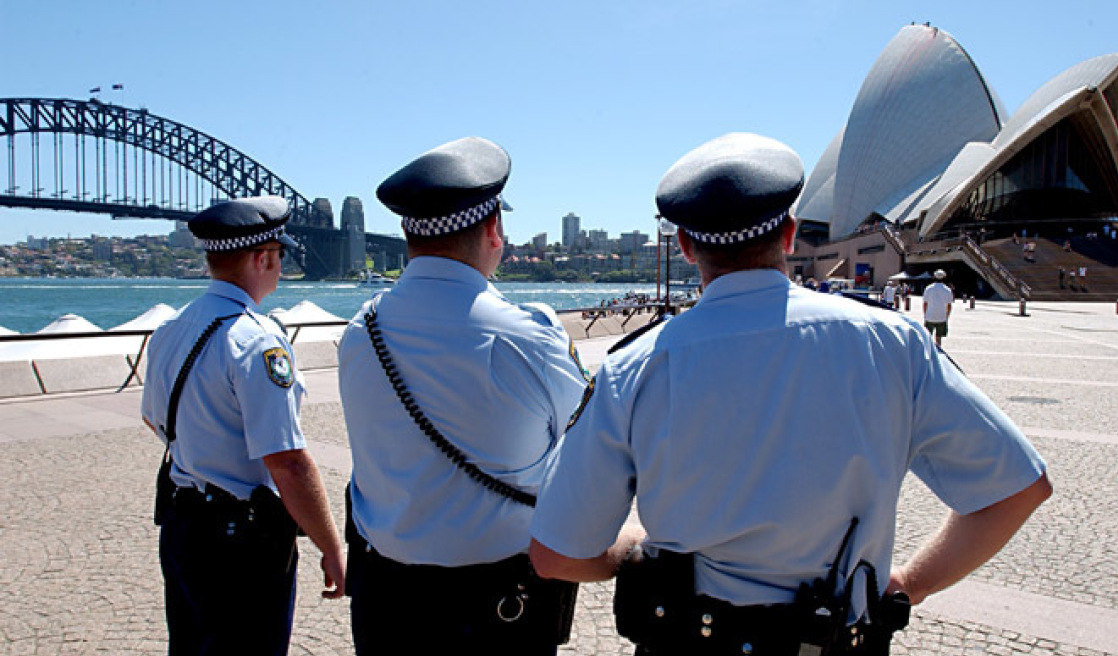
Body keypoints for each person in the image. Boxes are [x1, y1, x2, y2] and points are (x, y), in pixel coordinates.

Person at [527, 133, 1050, 655]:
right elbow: (1019, 487)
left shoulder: (636, 366)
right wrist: (911, 583)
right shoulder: (893, 344)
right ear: (791, 235)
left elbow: (555, 556)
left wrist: (633, 554)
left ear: (685, 246)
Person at [338, 136, 590, 655]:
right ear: (493, 229)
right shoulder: (529, 337)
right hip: (497, 609)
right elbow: (585, 449)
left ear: (407, 231)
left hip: (384, 602)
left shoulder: (359, 334)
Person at [141, 196, 345, 655]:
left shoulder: (170, 330)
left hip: (182, 522)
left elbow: (151, 418)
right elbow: (288, 461)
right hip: (240, 540)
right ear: (261, 258)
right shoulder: (257, 339)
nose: (280, 269)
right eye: (279, 257)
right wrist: (330, 545)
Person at [922, 269, 955, 347]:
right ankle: (938, 349)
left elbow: (925, 303)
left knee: (928, 335)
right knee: (939, 336)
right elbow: (949, 305)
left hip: (930, 315)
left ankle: (928, 349)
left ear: (934, 277)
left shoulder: (928, 288)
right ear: (944, 278)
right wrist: (947, 316)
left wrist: (925, 314)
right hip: (942, 316)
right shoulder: (947, 290)